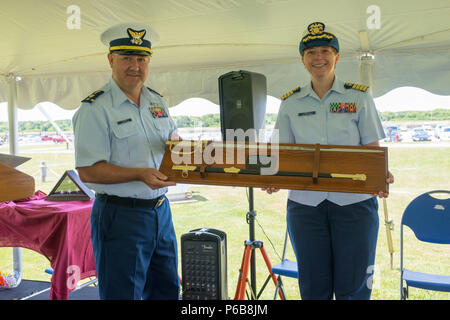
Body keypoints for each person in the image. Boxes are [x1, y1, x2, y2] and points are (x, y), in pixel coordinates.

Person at [264, 22, 394, 300]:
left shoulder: (358, 97)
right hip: (305, 207)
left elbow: (372, 150)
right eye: (310, 52)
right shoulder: (290, 103)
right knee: (313, 286)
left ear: (337, 56)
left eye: (325, 50)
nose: (318, 57)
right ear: (303, 60)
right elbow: (282, 154)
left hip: (354, 207)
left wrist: (380, 174)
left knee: (355, 286)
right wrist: (272, 177)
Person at [72, 23, 180, 300]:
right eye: (127, 58)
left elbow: (172, 137)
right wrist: (139, 174)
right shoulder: (95, 108)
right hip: (121, 216)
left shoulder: (157, 102)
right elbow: (88, 171)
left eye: (141, 59)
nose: (135, 66)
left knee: (166, 289)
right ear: (111, 60)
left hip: (160, 212)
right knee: (124, 293)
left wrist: (180, 144)